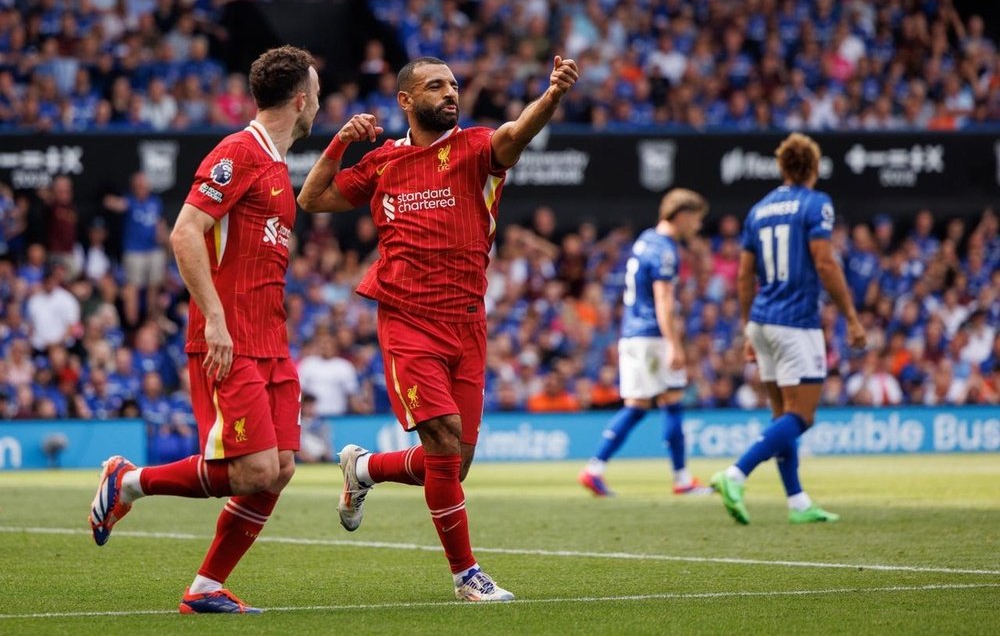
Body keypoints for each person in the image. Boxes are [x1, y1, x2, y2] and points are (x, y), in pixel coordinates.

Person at [297, 54, 579, 601]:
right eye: (436, 86)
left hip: (468, 322)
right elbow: (311, 199)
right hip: (408, 319)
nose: (450, 93)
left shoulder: (475, 148)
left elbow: (517, 132)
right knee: (445, 441)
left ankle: (364, 470)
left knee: (454, 463)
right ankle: (465, 575)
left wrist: (552, 97)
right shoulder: (383, 163)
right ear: (406, 100)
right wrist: (338, 144)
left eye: (453, 84)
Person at [87, 45, 320, 613]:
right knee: (255, 469)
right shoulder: (237, 152)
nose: (319, 100)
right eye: (315, 91)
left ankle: (206, 588)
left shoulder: (276, 165)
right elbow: (186, 233)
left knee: (281, 469)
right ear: (300, 98)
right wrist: (215, 319)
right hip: (230, 338)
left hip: (271, 340)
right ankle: (128, 481)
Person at [711, 132, 866, 525]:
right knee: (802, 415)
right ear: (814, 167)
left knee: (782, 414)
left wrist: (749, 327)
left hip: (763, 320)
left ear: (782, 167)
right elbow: (825, 262)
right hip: (797, 322)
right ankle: (735, 474)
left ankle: (797, 501)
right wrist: (851, 315)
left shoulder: (758, 209)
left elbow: (745, 276)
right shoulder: (817, 204)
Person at [578, 188, 713, 498]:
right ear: (681, 216)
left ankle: (594, 469)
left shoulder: (644, 241)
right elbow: (663, 300)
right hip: (652, 335)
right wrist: (674, 344)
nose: (698, 226)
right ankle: (682, 480)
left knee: (638, 406)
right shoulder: (665, 250)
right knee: (672, 401)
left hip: (632, 332)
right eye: (696, 219)